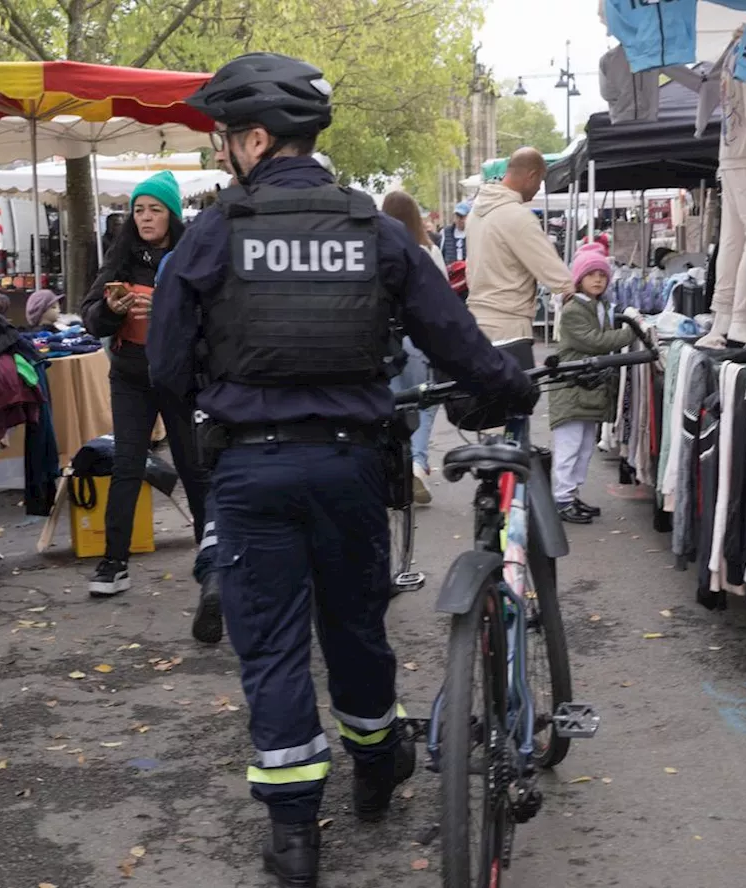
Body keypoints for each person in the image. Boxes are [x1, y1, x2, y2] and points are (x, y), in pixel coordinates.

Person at [148, 52, 539, 887]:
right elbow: (457, 342)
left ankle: (295, 838)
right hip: (350, 467)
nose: (223, 153)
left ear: (255, 139)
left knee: (274, 647)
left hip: (251, 473)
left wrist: (223, 394)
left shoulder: (214, 235)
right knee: (355, 627)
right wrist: (510, 387)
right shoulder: (374, 229)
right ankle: (376, 764)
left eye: (227, 139)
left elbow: (167, 369)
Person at [80, 170, 210, 601]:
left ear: (171, 214)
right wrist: (111, 309)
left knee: (194, 467)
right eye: (138, 210)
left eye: (155, 209)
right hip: (131, 375)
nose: (145, 217)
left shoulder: (192, 255)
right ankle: (114, 562)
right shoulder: (121, 256)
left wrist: (168, 308)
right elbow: (91, 316)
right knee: (127, 464)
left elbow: (212, 316)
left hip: (179, 377)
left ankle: (211, 560)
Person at [549, 243, 636, 525]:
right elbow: (595, 342)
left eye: (602, 274)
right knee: (569, 447)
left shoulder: (600, 307)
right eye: (591, 274)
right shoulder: (575, 309)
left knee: (584, 447)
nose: (598, 279)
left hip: (586, 390)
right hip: (572, 390)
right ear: (579, 279)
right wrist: (631, 333)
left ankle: (571, 495)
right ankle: (562, 498)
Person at [465, 147, 573, 342]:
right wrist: (575, 290)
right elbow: (554, 274)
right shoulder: (519, 217)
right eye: (540, 181)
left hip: (476, 320)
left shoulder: (474, 213)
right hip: (509, 325)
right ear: (531, 176)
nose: (539, 187)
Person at [381, 189, 447, 503]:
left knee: (394, 406)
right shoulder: (429, 251)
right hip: (422, 339)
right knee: (425, 404)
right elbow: (442, 301)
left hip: (389, 341)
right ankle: (418, 464)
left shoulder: (376, 249)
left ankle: (392, 467)